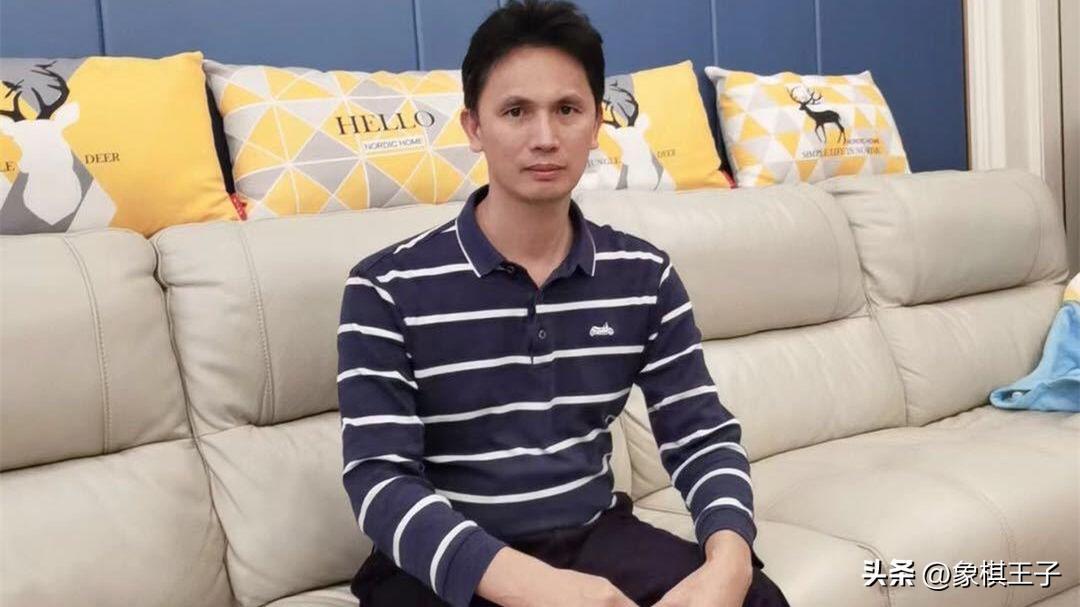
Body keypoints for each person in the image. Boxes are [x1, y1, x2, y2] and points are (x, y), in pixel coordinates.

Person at [336, 2, 792, 605]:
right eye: (516, 111)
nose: (545, 138)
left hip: (594, 535)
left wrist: (730, 562)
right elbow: (379, 481)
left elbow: (701, 434)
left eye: (568, 110)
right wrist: (542, 589)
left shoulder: (644, 275)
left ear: (597, 123)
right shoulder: (384, 287)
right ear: (474, 127)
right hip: (449, 563)